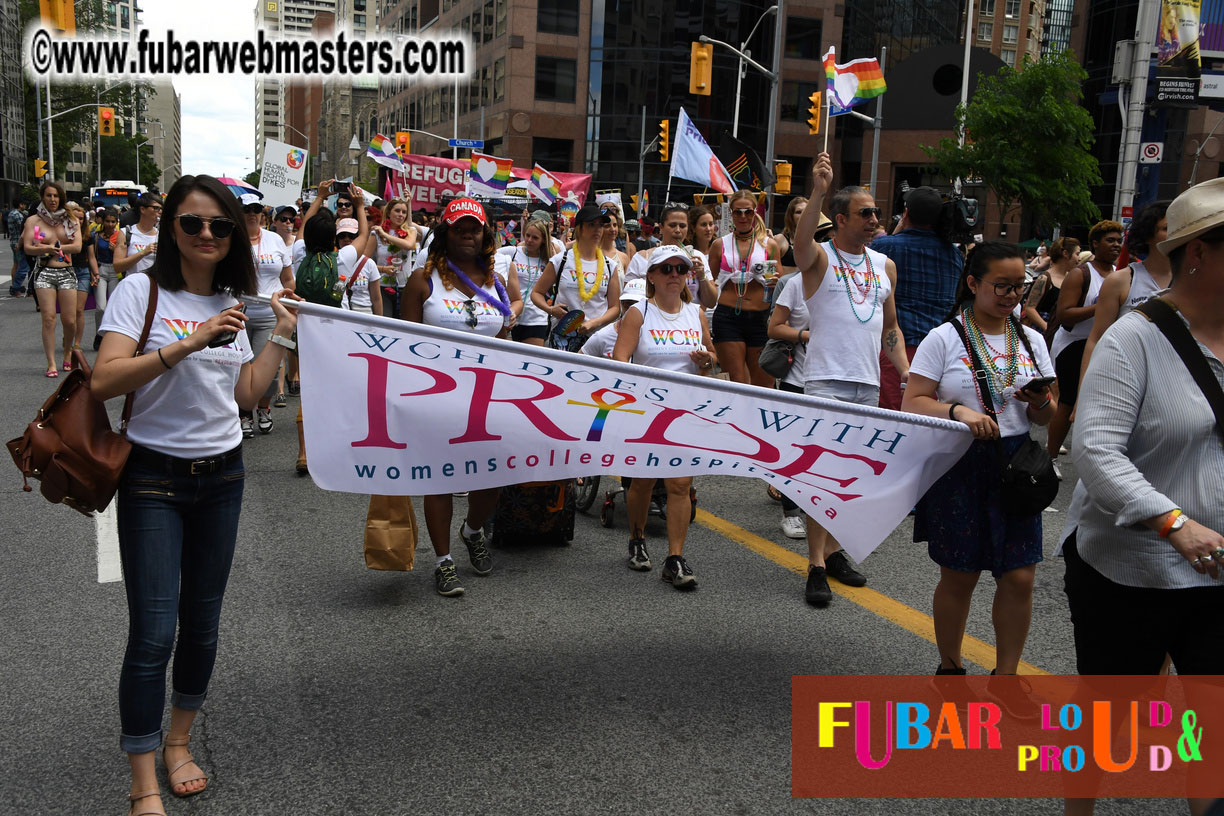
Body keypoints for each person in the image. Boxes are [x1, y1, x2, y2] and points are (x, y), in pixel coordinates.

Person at [91, 174, 298, 816]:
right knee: (154, 632)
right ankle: (142, 776)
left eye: (220, 225)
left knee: (202, 625)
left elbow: (240, 397)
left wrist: (282, 335)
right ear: (171, 227)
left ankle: (179, 741)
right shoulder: (139, 291)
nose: (207, 234)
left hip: (223, 475)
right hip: (153, 476)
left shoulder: (232, 303)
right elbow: (104, 380)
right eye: (192, 223)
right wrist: (184, 345)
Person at [1060, 176, 1224, 816]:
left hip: (1217, 579)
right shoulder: (1134, 340)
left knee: (1210, 729)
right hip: (1128, 573)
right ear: (1199, 255)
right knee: (1107, 721)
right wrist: (1172, 520)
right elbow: (1096, 453)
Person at [901, 242, 1056, 680]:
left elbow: (1048, 413)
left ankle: (1006, 677)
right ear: (972, 283)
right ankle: (950, 667)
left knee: (1020, 576)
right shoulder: (945, 336)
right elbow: (912, 401)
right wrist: (959, 412)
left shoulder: (1031, 339)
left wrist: (1041, 399)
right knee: (960, 575)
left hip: (1018, 463)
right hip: (960, 463)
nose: (1011, 296)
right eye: (1000, 286)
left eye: (1019, 287)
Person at [793, 154, 909, 606]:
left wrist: (903, 371)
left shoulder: (885, 267)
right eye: (866, 213)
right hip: (824, 380)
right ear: (840, 220)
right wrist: (819, 189)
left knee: (852, 476)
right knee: (822, 474)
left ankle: (836, 552)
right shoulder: (818, 258)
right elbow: (800, 245)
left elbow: (889, 328)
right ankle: (816, 564)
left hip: (867, 384)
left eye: (876, 213)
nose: (875, 219)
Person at [403, 198, 514, 597]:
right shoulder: (422, 280)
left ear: (485, 234)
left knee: (494, 475)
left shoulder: (495, 282)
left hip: (488, 396)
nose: (468, 234)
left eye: (475, 228)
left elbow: (503, 343)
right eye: (459, 227)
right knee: (441, 479)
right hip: (438, 396)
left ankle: (472, 530)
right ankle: (443, 561)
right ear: (445, 233)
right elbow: (404, 346)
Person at [612, 246, 718, 588]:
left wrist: (706, 361)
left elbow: (712, 356)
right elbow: (618, 360)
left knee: (680, 484)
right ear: (652, 277)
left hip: (685, 410)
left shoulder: (695, 313)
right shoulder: (639, 313)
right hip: (646, 412)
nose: (674, 274)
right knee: (642, 482)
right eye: (666, 268)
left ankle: (674, 558)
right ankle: (637, 538)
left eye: (680, 269)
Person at [870, 186, 964, 411]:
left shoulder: (885, 246)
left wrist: (897, 230)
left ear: (906, 213)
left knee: (894, 417)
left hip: (896, 349)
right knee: (928, 416)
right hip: (940, 351)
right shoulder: (954, 254)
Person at [1045, 220, 1123, 475]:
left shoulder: (1120, 275)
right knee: (1068, 401)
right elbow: (1065, 314)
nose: (1116, 245)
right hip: (1073, 344)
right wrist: (1102, 306)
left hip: (1104, 344)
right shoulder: (1081, 274)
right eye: (1110, 240)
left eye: (1119, 241)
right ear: (1096, 244)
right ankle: (1050, 457)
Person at [1079, 201, 1172, 382]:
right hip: (1123, 377)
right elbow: (1097, 338)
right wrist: (1082, 393)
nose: (1175, 233)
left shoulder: (1193, 282)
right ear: (1148, 235)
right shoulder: (1121, 280)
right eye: (1167, 228)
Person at [708, 190, 781, 386]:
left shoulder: (768, 245)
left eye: (748, 212)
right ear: (730, 213)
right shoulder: (719, 244)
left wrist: (774, 281)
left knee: (763, 384)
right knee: (735, 382)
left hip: (760, 317)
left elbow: (780, 281)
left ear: (755, 213)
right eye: (737, 212)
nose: (742, 217)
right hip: (727, 317)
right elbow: (708, 281)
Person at [240, 192, 294, 434]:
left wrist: (287, 300)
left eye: (255, 208)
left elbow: (288, 278)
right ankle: (244, 413)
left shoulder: (275, 240)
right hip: (238, 314)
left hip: (268, 315)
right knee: (240, 367)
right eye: (246, 209)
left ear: (262, 212)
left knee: (269, 369)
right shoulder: (230, 239)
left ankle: (263, 407)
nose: (251, 213)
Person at [766, 268, 813, 539]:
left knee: (820, 448)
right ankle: (791, 513)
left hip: (832, 379)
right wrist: (806, 336)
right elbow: (774, 327)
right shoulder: (794, 283)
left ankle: (812, 504)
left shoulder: (848, 285)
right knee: (793, 446)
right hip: (798, 375)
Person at [530, 203, 623, 339]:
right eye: (592, 224)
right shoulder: (561, 260)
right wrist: (550, 309)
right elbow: (536, 293)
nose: (597, 229)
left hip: (596, 338)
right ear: (579, 229)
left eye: (600, 225)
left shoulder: (610, 266)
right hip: (562, 336)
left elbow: (615, 307)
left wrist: (596, 322)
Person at [24, 181, 83, 376]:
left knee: (69, 320)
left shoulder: (71, 219)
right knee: (48, 319)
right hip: (45, 272)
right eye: (49, 195)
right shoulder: (33, 221)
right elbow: (28, 248)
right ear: (43, 197)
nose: (52, 199)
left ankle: (67, 352)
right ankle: (51, 363)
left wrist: (57, 248)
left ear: (61, 198)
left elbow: (77, 247)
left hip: (67, 272)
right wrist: (45, 249)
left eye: (56, 196)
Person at [625, 203, 717, 309]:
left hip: (688, 323)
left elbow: (711, 303)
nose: (678, 230)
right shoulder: (641, 258)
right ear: (661, 227)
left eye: (682, 226)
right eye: (672, 225)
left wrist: (702, 276)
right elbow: (627, 302)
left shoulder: (697, 257)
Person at [497, 217, 552, 345]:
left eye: (535, 238)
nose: (529, 240)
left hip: (536, 319)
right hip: (510, 317)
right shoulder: (512, 252)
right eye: (527, 235)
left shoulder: (548, 261)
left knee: (532, 361)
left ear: (543, 240)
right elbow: (489, 255)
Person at [365, 197, 420, 319]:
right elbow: (364, 262)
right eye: (397, 211)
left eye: (404, 212)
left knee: (403, 325)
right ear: (389, 212)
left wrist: (385, 235)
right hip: (382, 287)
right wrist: (383, 269)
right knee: (385, 323)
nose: (401, 215)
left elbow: (409, 245)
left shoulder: (411, 231)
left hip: (405, 287)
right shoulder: (376, 233)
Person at [1021, 236, 1078, 334]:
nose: (1079, 258)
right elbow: (1030, 308)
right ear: (1065, 254)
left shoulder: (1072, 278)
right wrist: (1047, 328)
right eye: (1077, 254)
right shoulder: (1045, 278)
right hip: (1045, 333)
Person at [91, 208, 122, 350]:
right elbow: (91, 256)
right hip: (101, 270)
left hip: (116, 272)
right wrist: (94, 273)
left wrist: (116, 249)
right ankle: (99, 334)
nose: (110, 224)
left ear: (116, 222)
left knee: (113, 307)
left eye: (113, 222)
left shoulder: (121, 236)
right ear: (102, 221)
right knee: (101, 308)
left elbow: (125, 255)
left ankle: (110, 337)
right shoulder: (96, 236)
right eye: (108, 221)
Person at [66, 202, 95, 353]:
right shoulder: (64, 233)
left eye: (82, 218)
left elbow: (91, 257)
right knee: (68, 311)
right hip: (67, 271)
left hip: (83, 271)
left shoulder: (88, 235)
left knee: (79, 310)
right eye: (76, 218)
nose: (79, 221)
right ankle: (69, 335)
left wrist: (95, 273)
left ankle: (77, 342)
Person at [114, 193, 163, 281]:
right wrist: (143, 253)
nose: (160, 211)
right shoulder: (126, 233)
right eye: (156, 208)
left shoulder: (161, 235)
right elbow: (117, 267)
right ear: (143, 209)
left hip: (155, 289)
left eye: (161, 208)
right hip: (132, 288)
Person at [8, 200, 29, 296]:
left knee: (16, 264)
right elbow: (24, 227)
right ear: (20, 204)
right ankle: (15, 287)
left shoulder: (12, 213)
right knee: (21, 265)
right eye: (23, 204)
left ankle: (14, 285)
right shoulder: (17, 214)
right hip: (18, 242)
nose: (24, 206)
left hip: (13, 240)